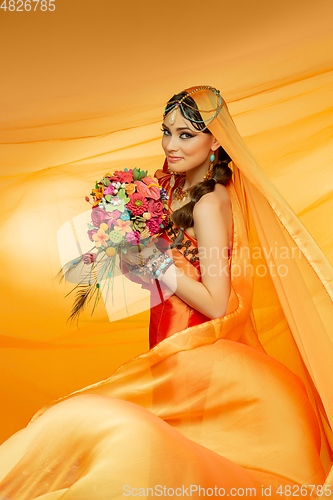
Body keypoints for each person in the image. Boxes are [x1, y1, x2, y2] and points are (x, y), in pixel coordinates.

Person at [0, 86, 332, 499]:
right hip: (170, 346)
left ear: (216, 142)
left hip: (199, 356)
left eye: (186, 135)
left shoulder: (210, 203)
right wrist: (126, 248)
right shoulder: (172, 193)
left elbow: (215, 301)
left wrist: (153, 262)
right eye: (167, 132)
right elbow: (162, 281)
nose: (171, 145)